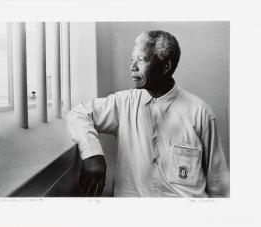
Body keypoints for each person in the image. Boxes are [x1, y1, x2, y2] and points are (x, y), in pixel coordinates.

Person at [67, 30, 229, 197]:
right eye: (132, 60)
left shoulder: (200, 113)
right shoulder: (124, 104)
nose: (132, 67)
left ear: (165, 66)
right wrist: (92, 153)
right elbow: (78, 114)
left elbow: (219, 186)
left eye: (141, 60)